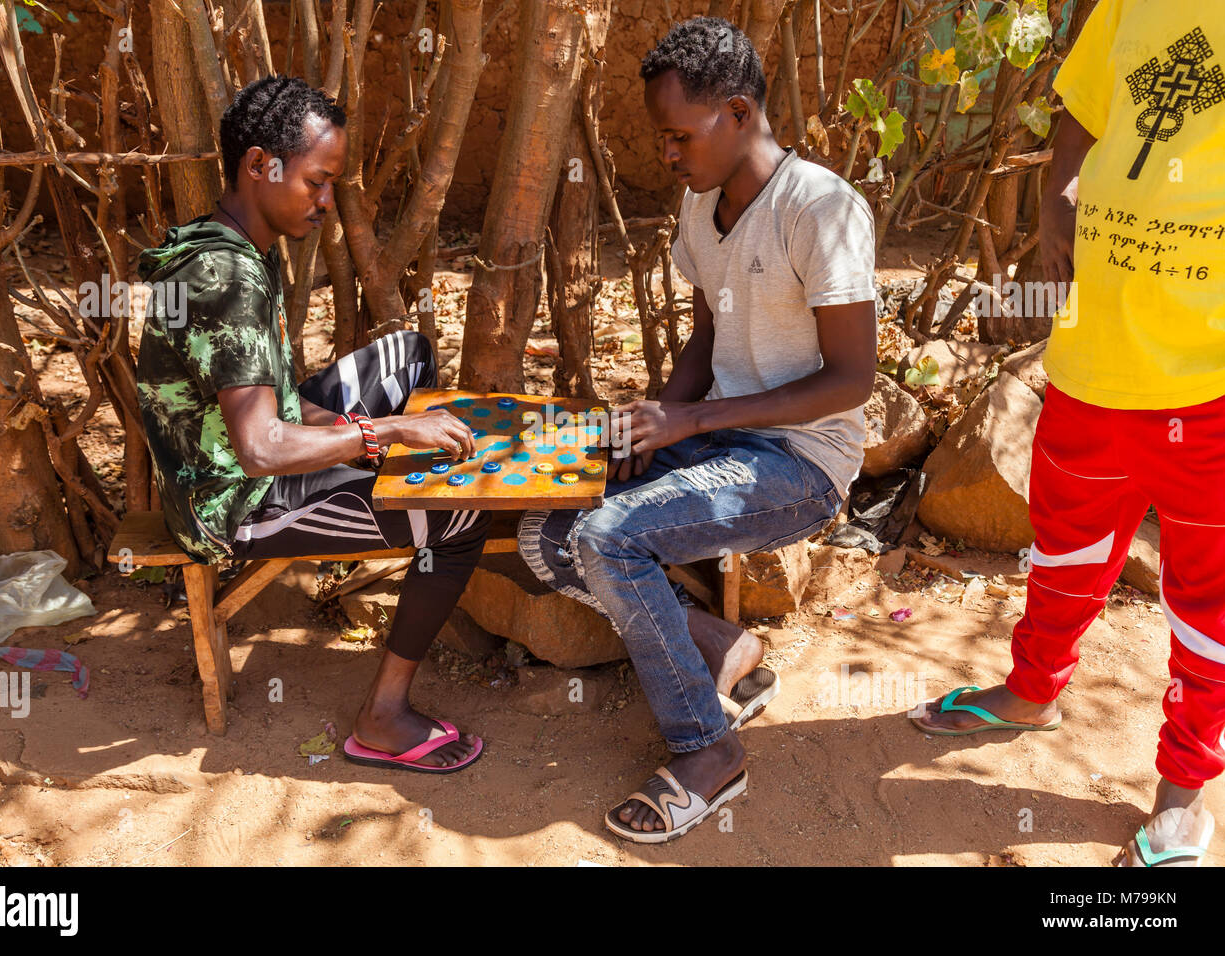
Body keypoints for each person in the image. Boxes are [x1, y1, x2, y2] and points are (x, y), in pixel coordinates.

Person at [519, 17, 878, 842]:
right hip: (717, 442)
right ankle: (720, 648)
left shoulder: (820, 208)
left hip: (798, 461)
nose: (670, 156)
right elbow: (712, 332)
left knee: (607, 537)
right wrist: (658, 425)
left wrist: (698, 417)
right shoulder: (701, 207)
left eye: (680, 136)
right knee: (549, 530)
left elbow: (850, 378)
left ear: (741, 113)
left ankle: (708, 752)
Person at [911, 0, 1225, 866]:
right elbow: (1084, 103)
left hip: (1211, 387)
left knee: (1209, 606)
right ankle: (1031, 691)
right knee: (1066, 547)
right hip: (1096, 355)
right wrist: (1056, 196)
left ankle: (1181, 799)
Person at [136, 75, 488, 773]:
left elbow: (268, 404)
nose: (327, 201)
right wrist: (380, 436)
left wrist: (363, 436)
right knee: (459, 518)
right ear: (260, 165)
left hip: (228, 458)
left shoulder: (231, 245)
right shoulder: (228, 278)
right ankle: (382, 719)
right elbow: (262, 448)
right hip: (229, 504)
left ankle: (372, 499)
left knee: (404, 357)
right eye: (317, 182)